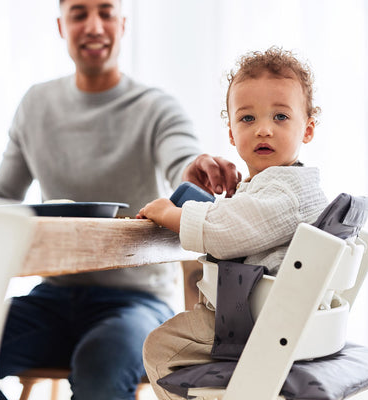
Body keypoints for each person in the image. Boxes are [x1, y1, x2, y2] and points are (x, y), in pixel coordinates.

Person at [0, 1, 240, 399]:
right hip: (53, 298)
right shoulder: (36, 105)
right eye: (79, 13)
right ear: (61, 26)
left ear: (123, 23)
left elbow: (182, 160)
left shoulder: (155, 107)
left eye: (105, 11)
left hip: (135, 303)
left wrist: (195, 168)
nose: (94, 26)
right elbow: (1, 194)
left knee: (101, 361)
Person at [136, 47, 330, 400]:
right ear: (230, 133)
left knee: (161, 346)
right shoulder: (279, 186)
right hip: (264, 316)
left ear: (308, 130)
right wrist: (206, 206)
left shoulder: (288, 192)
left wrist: (169, 213)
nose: (264, 130)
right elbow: (245, 223)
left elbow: (225, 234)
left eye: (281, 117)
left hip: (255, 323)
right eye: (248, 119)